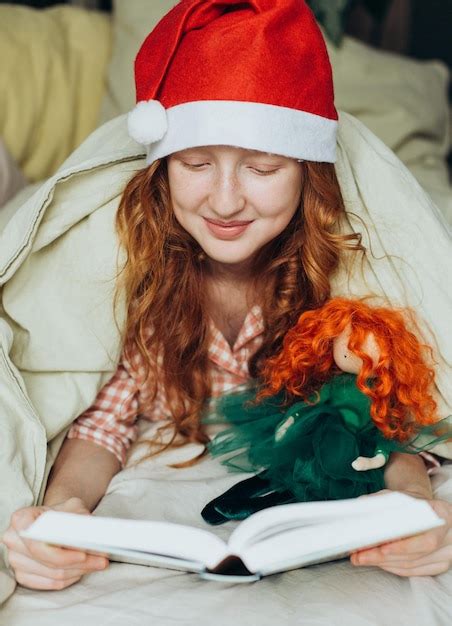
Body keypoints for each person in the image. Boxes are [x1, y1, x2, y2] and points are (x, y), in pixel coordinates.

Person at [1, 0, 451, 591]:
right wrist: (64, 511)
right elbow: (103, 420)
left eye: (262, 168)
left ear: (308, 172)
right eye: (194, 162)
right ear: (163, 168)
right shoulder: (148, 273)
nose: (224, 202)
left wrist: (416, 509)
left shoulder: (342, 272)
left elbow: (383, 414)